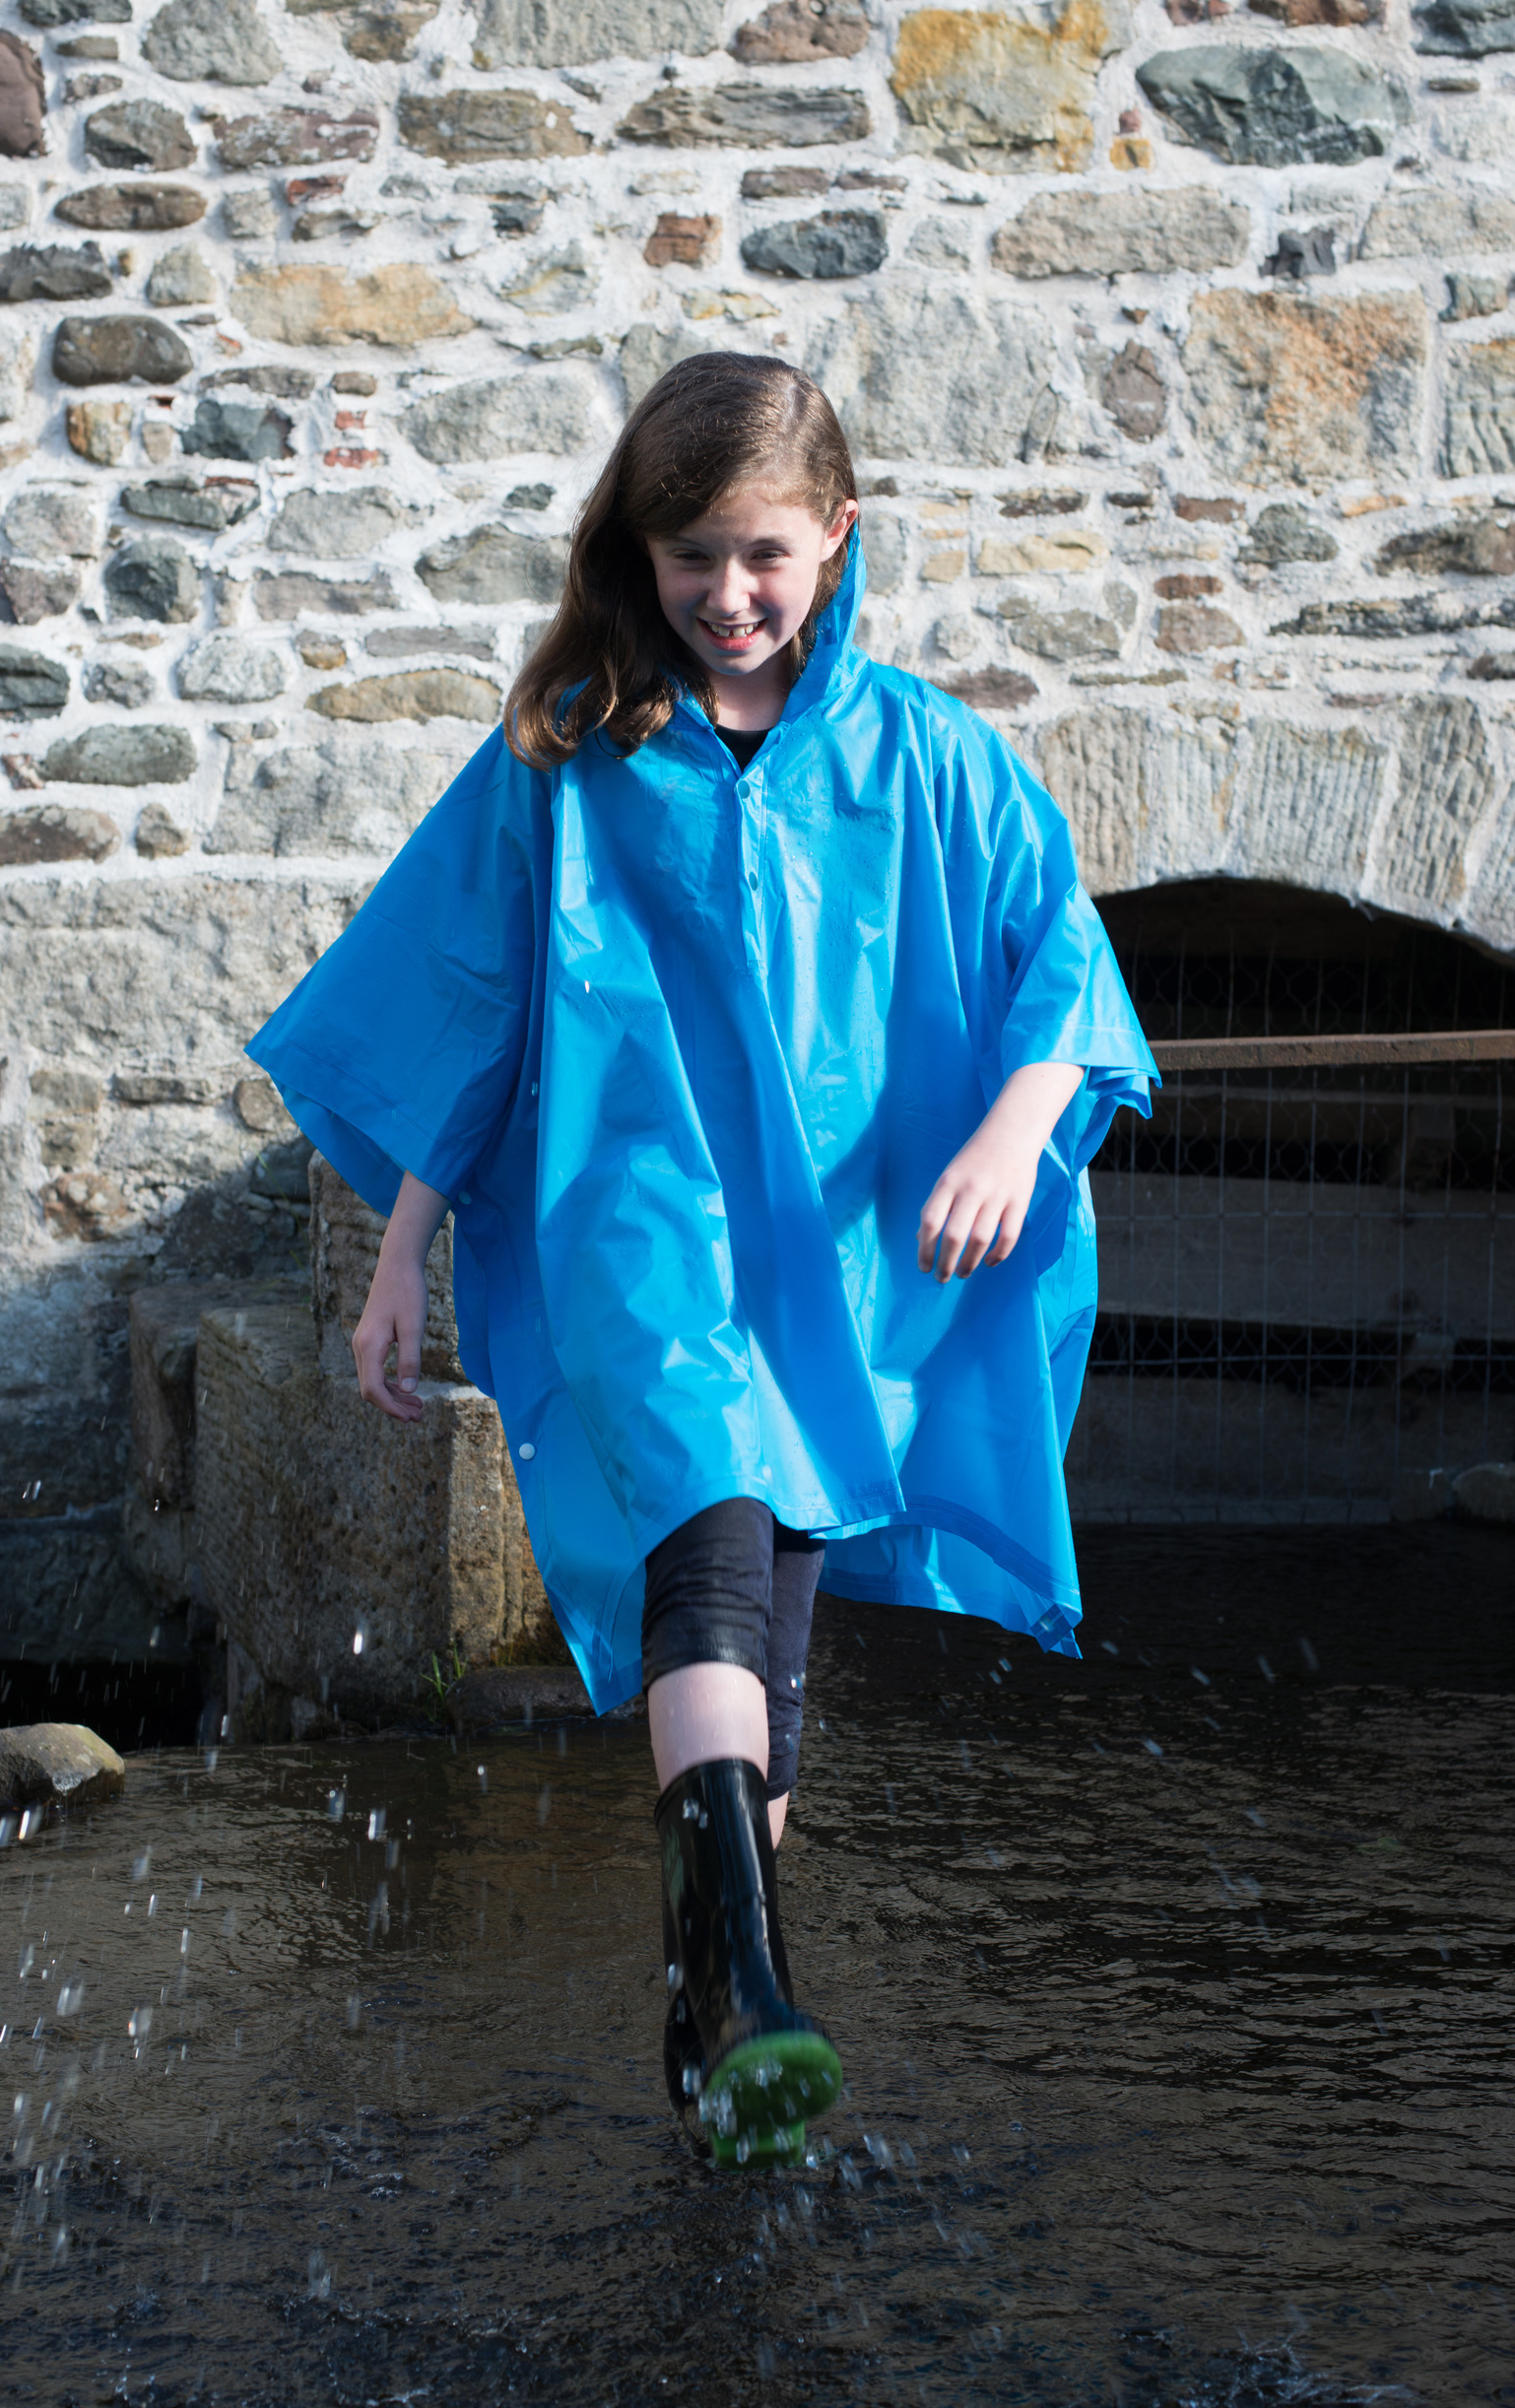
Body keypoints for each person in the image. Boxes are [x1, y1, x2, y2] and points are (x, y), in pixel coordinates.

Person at [246, 354, 1156, 2170]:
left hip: (836, 1266)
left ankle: (707, 1995)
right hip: (641, 1234)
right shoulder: (574, 757)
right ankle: (749, 1964)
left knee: (774, 1663)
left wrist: (1009, 1121)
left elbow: (1063, 963)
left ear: (836, 537)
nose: (726, 597)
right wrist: (399, 1255)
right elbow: (472, 1009)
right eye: (686, 559)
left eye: (761, 555)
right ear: (633, 554)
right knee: (711, 1561)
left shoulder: (930, 758)